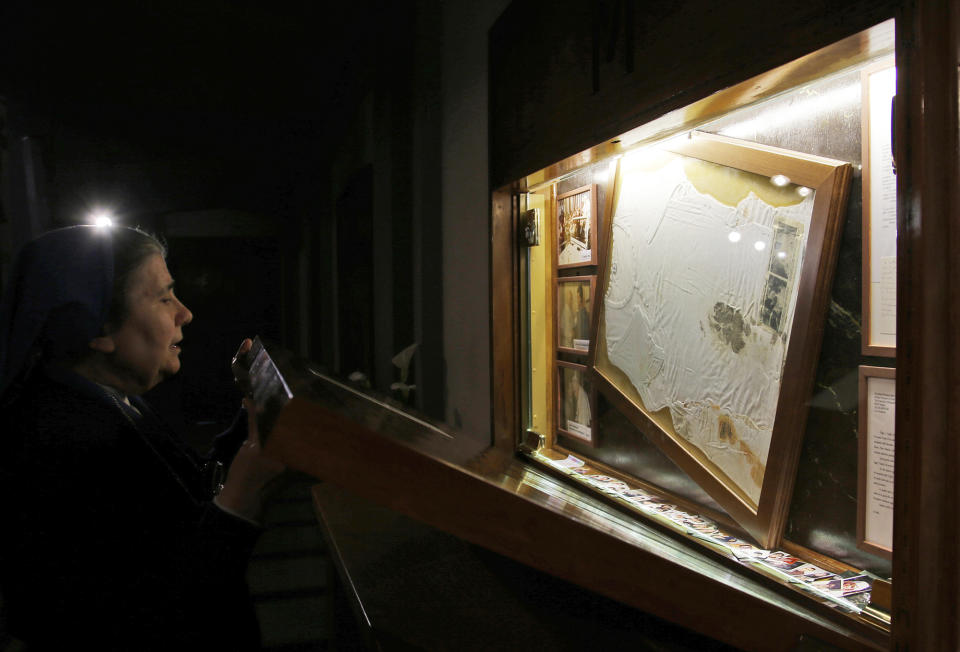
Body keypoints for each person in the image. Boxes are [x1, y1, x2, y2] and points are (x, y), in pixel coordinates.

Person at [0, 225, 285, 651]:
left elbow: (191, 497)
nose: (185, 313)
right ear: (97, 328)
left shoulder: (110, 400)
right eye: (164, 297)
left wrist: (249, 422)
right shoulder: (57, 445)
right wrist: (246, 493)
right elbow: (164, 610)